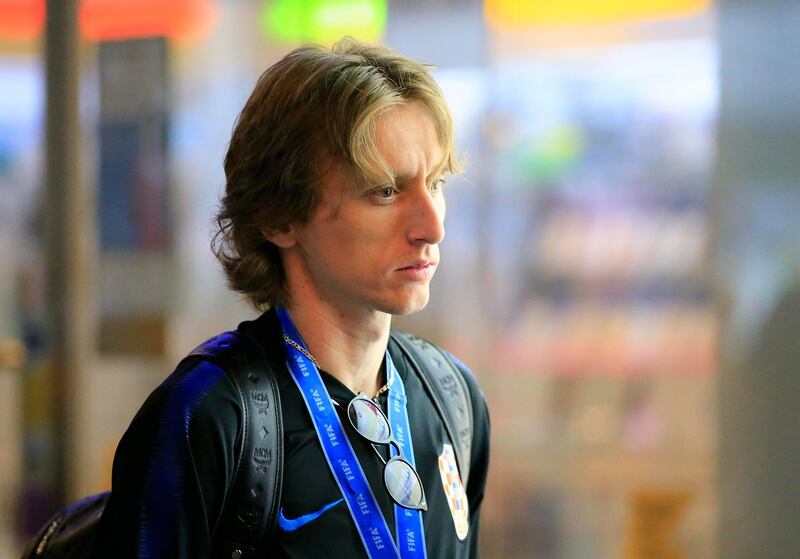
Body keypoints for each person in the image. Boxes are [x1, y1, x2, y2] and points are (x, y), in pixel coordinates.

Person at [92, 38, 490, 559]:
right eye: (385, 192)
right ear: (279, 217)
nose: (432, 226)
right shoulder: (211, 416)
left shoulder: (453, 396)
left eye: (435, 182)